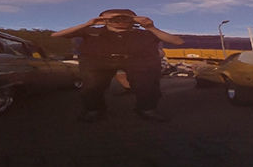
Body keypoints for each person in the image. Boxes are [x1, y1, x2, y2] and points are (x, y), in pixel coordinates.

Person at [54, 9, 184, 122]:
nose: (119, 19)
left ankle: (147, 109)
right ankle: (94, 110)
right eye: (113, 17)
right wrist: (88, 24)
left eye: (124, 17)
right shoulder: (90, 31)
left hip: (137, 61)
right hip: (97, 61)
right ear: (103, 19)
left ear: (133, 19)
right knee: (92, 86)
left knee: (148, 85)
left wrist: (150, 27)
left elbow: (177, 41)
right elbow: (56, 35)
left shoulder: (145, 33)